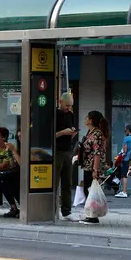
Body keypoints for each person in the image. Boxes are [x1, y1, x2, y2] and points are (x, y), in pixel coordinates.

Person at [79, 111, 110, 225]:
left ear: (91, 120)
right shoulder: (90, 132)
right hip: (88, 165)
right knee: (88, 189)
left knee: (91, 190)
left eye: (87, 117)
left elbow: (97, 153)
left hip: (93, 166)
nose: (85, 119)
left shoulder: (97, 134)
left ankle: (93, 216)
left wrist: (95, 170)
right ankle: (91, 214)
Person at [54, 92, 77, 220]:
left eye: (70, 106)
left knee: (67, 182)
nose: (68, 108)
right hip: (57, 150)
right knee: (55, 181)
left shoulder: (71, 115)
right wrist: (63, 132)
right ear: (60, 102)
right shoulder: (55, 114)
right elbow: (50, 135)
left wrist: (72, 133)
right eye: (67, 105)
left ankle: (66, 211)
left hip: (68, 150)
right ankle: (52, 209)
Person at [0, 129, 22, 218]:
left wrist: (13, 151)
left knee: (10, 181)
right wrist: (10, 155)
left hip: (26, 174)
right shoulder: (19, 147)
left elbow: (23, 165)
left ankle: (23, 207)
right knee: (3, 180)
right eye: (19, 136)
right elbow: (14, 165)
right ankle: (13, 208)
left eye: (22, 136)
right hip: (17, 172)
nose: (20, 138)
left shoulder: (29, 147)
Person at [115, 124, 131, 199]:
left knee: (124, 175)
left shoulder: (126, 138)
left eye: (125, 130)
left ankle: (124, 192)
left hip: (127, 159)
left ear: (128, 130)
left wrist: (121, 153)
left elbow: (125, 150)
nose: (125, 131)